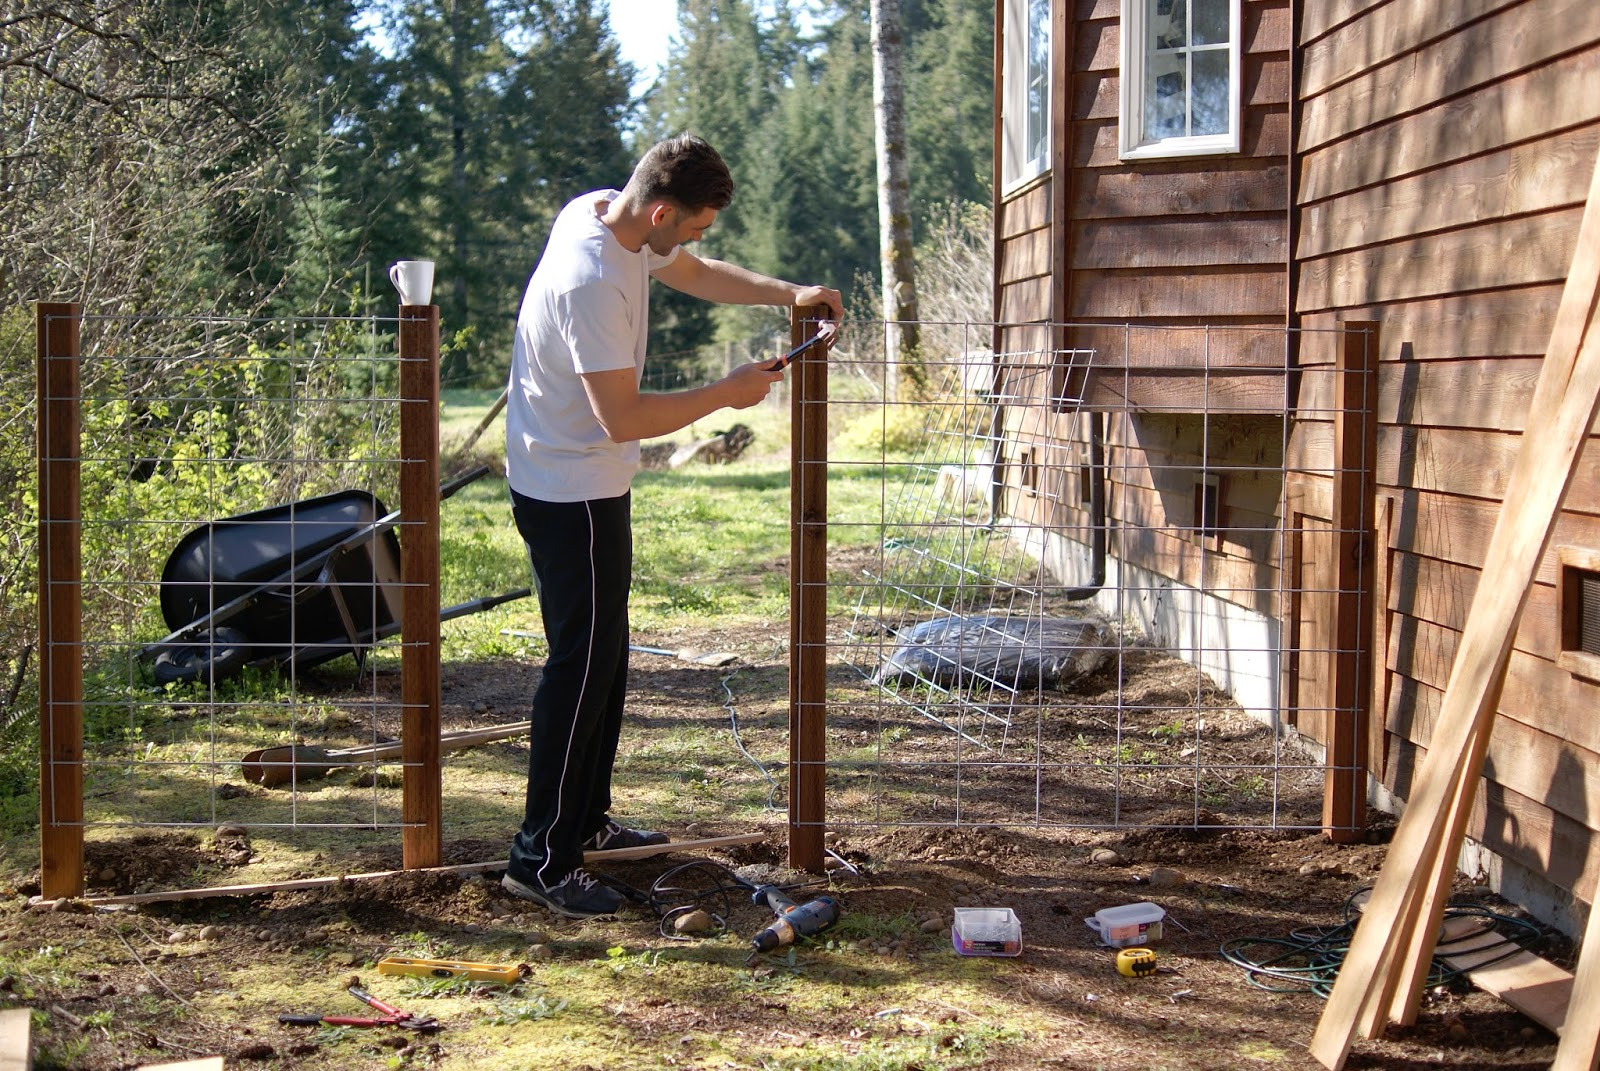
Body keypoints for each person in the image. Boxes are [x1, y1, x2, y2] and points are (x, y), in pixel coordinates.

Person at [500, 133, 843, 918]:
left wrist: (785, 292)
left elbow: (690, 270)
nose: (692, 242)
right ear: (660, 208)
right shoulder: (590, 277)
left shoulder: (600, 214)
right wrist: (725, 393)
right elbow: (621, 415)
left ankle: (584, 821)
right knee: (579, 668)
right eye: (689, 224)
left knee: (605, 660)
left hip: (587, 479)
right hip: (567, 488)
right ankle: (540, 858)